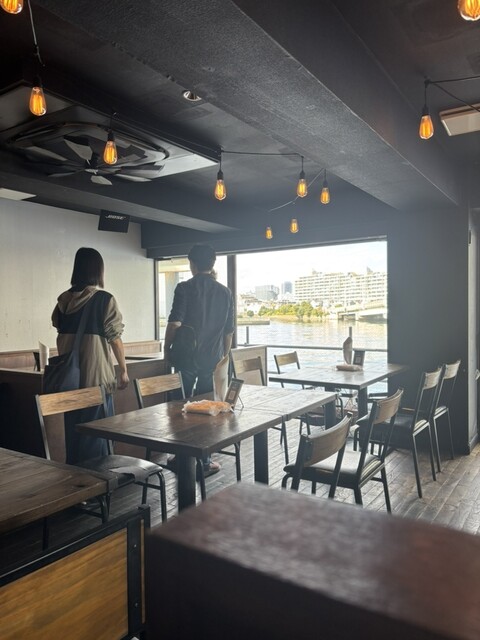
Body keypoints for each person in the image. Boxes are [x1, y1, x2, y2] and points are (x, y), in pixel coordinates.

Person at [52, 247, 129, 464]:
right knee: (98, 436)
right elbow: (115, 338)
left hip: (69, 382)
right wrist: (123, 370)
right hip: (95, 380)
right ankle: (97, 480)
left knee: (74, 435)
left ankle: (76, 479)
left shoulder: (62, 302)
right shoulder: (104, 300)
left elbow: (60, 331)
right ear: (98, 271)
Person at [164, 243, 234, 477]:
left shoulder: (184, 288)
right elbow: (228, 331)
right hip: (212, 359)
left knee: (179, 408)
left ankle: (180, 456)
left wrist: (166, 349)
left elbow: (175, 323)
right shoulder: (225, 292)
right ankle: (204, 460)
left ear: (192, 263)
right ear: (212, 264)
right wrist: (223, 357)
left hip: (185, 358)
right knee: (207, 411)